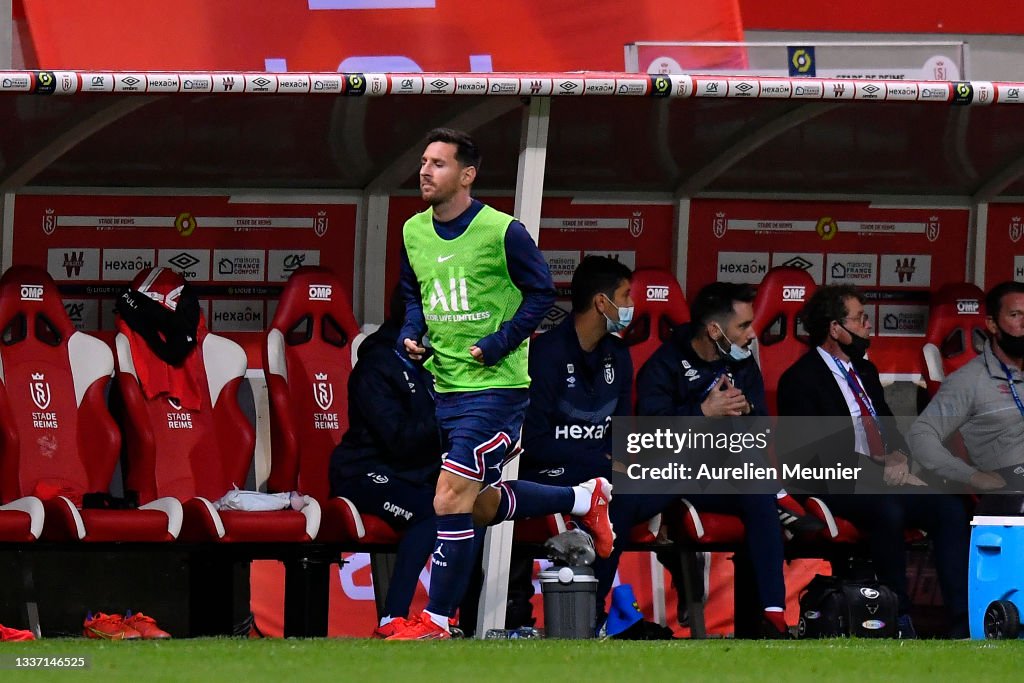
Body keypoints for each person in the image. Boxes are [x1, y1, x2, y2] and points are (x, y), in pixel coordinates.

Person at [386, 128, 614, 640]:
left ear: (467, 176)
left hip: (498, 391)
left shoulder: (502, 231)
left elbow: (541, 294)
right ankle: (582, 500)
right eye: (423, 161)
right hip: (444, 388)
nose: (426, 171)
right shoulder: (412, 232)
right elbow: (414, 295)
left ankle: (438, 621)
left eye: (439, 164)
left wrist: (497, 344)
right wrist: (410, 334)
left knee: (448, 497)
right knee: (477, 503)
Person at [776, 284, 970, 638]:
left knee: (950, 510)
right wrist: (883, 469)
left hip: (882, 477)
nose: (869, 327)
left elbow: (889, 430)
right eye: (861, 319)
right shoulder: (800, 380)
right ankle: (898, 617)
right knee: (889, 510)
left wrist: (900, 458)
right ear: (835, 328)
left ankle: (963, 625)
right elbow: (812, 455)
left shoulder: (865, 371)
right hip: (831, 479)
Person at [636, 281, 813, 638]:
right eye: (744, 326)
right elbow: (651, 438)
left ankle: (774, 616)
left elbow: (762, 428)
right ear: (715, 330)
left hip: (728, 472)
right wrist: (703, 412)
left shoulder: (742, 362)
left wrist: (745, 409)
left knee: (757, 492)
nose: (752, 335)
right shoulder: (665, 364)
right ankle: (781, 496)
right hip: (674, 472)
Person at [510, 255, 635, 625]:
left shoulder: (620, 357)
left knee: (636, 486)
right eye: (625, 297)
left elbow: (625, 433)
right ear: (601, 302)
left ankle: (593, 614)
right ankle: (588, 616)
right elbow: (533, 441)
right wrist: (601, 462)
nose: (630, 308)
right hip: (545, 472)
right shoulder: (545, 354)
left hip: (599, 469)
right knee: (614, 485)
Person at [328, 287, 443, 638]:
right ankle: (391, 620)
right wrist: (449, 410)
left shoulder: (433, 361)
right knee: (432, 510)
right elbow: (399, 440)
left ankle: (446, 618)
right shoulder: (376, 366)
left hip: (410, 474)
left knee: (475, 506)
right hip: (364, 473)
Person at [909, 280, 1024, 511]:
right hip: (1010, 486)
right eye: (1015, 315)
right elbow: (920, 436)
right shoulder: (969, 381)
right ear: (992, 324)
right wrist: (971, 476)